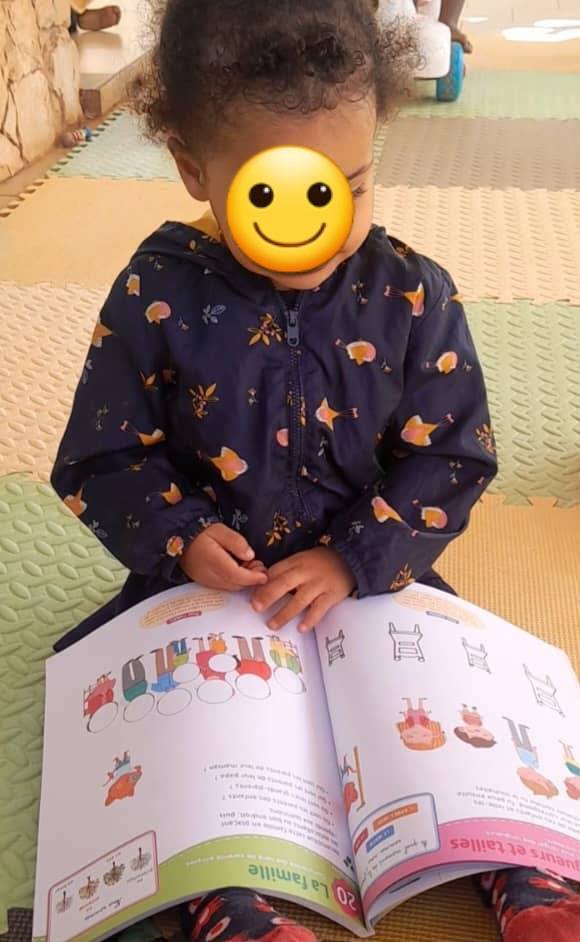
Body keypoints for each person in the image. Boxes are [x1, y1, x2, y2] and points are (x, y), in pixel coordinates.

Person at [50, 1, 579, 939]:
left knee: (452, 718)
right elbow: (103, 451)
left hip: (371, 580)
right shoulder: (156, 289)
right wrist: (181, 537)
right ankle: (225, 899)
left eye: (350, 186)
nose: (318, 227)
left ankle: (521, 871)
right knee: (186, 741)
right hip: (212, 590)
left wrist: (355, 557)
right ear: (194, 170)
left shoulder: (411, 292)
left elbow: (452, 452)